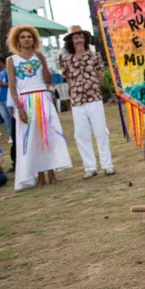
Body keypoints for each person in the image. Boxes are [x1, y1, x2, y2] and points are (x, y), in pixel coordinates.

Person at [7, 25, 72, 189]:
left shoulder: (39, 56)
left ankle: (52, 173)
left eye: (29, 36)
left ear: (34, 39)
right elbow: (12, 85)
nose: (26, 39)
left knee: (47, 136)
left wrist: (43, 62)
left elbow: (48, 80)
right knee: (32, 139)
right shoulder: (11, 60)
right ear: (17, 40)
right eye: (22, 37)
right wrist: (19, 108)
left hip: (43, 98)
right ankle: (39, 176)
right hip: (25, 101)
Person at [60, 25, 114, 179]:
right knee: (81, 135)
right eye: (76, 37)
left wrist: (95, 85)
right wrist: (75, 91)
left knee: (100, 131)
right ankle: (89, 167)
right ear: (71, 40)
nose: (79, 40)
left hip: (94, 98)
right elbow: (68, 79)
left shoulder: (94, 56)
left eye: (81, 37)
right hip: (77, 101)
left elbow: (100, 75)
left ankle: (107, 164)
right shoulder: (66, 59)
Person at [0, 57, 13, 141]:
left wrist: (2, 84)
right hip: (0, 99)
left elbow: (11, 84)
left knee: (12, 116)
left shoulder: (8, 71)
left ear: (1, 62)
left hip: (7, 97)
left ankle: (15, 133)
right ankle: (11, 135)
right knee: (6, 118)